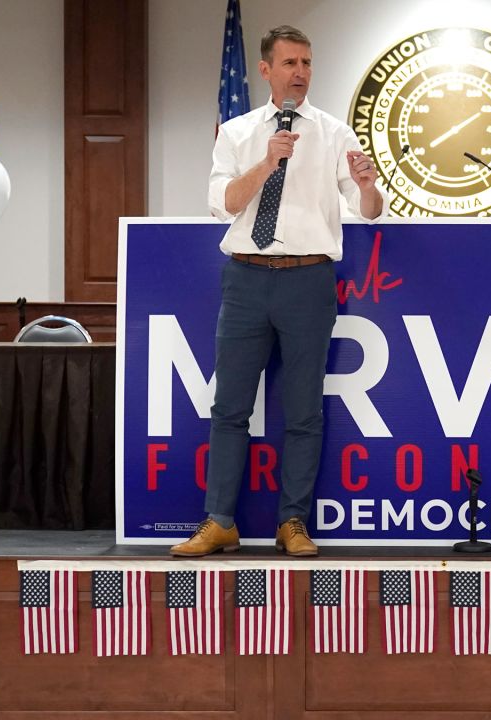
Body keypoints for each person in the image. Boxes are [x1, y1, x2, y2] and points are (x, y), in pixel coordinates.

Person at [170, 25, 386, 558]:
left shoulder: (336, 133)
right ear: (265, 70)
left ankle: (293, 521)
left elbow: (370, 211)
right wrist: (267, 163)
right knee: (230, 407)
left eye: (307, 63)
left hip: (309, 279)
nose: (301, 73)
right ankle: (219, 520)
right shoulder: (238, 132)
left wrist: (365, 184)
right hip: (245, 278)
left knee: (304, 410)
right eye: (290, 63)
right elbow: (221, 204)